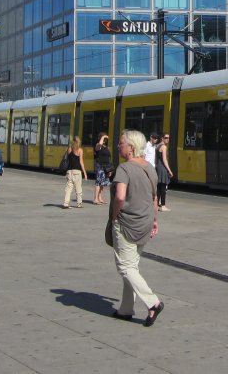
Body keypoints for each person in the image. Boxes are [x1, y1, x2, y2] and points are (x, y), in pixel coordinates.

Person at [108, 129, 163, 326]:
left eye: (121, 143)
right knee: (132, 265)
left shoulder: (124, 169)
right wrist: (155, 220)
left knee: (125, 266)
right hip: (146, 222)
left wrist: (115, 216)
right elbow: (154, 198)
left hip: (127, 223)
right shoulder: (150, 167)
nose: (118, 146)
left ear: (130, 148)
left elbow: (120, 197)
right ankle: (125, 309)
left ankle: (153, 302)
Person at [62, 136, 87, 209]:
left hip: (69, 171)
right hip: (77, 171)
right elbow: (81, 162)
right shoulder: (80, 150)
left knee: (68, 189)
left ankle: (66, 204)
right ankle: (79, 204)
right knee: (78, 189)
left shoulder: (69, 149)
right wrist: (85, 173)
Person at [155, 133, 173, 212]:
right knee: (163, 187)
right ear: (162, 138)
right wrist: (169, 170)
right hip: (162, 168)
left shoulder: (157, 146)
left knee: (159, 187)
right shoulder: (164, 147)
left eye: (168, 138)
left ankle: (156, 205)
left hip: (158, 167)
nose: (167, 139)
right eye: (166, 138)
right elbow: (165, 160)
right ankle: (163, 205)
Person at [93, 132, 112, 205]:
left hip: (106, 167)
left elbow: (108, 158)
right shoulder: (98, 145)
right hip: (100, 166)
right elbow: (100, 144)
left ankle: (100, 198)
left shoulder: (106, 147)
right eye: (104, 138)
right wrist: (103, 136)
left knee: (102, 183)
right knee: (98, 182)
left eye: (105, 139)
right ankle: (95, 199)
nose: (105, 140)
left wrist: (109, 169)